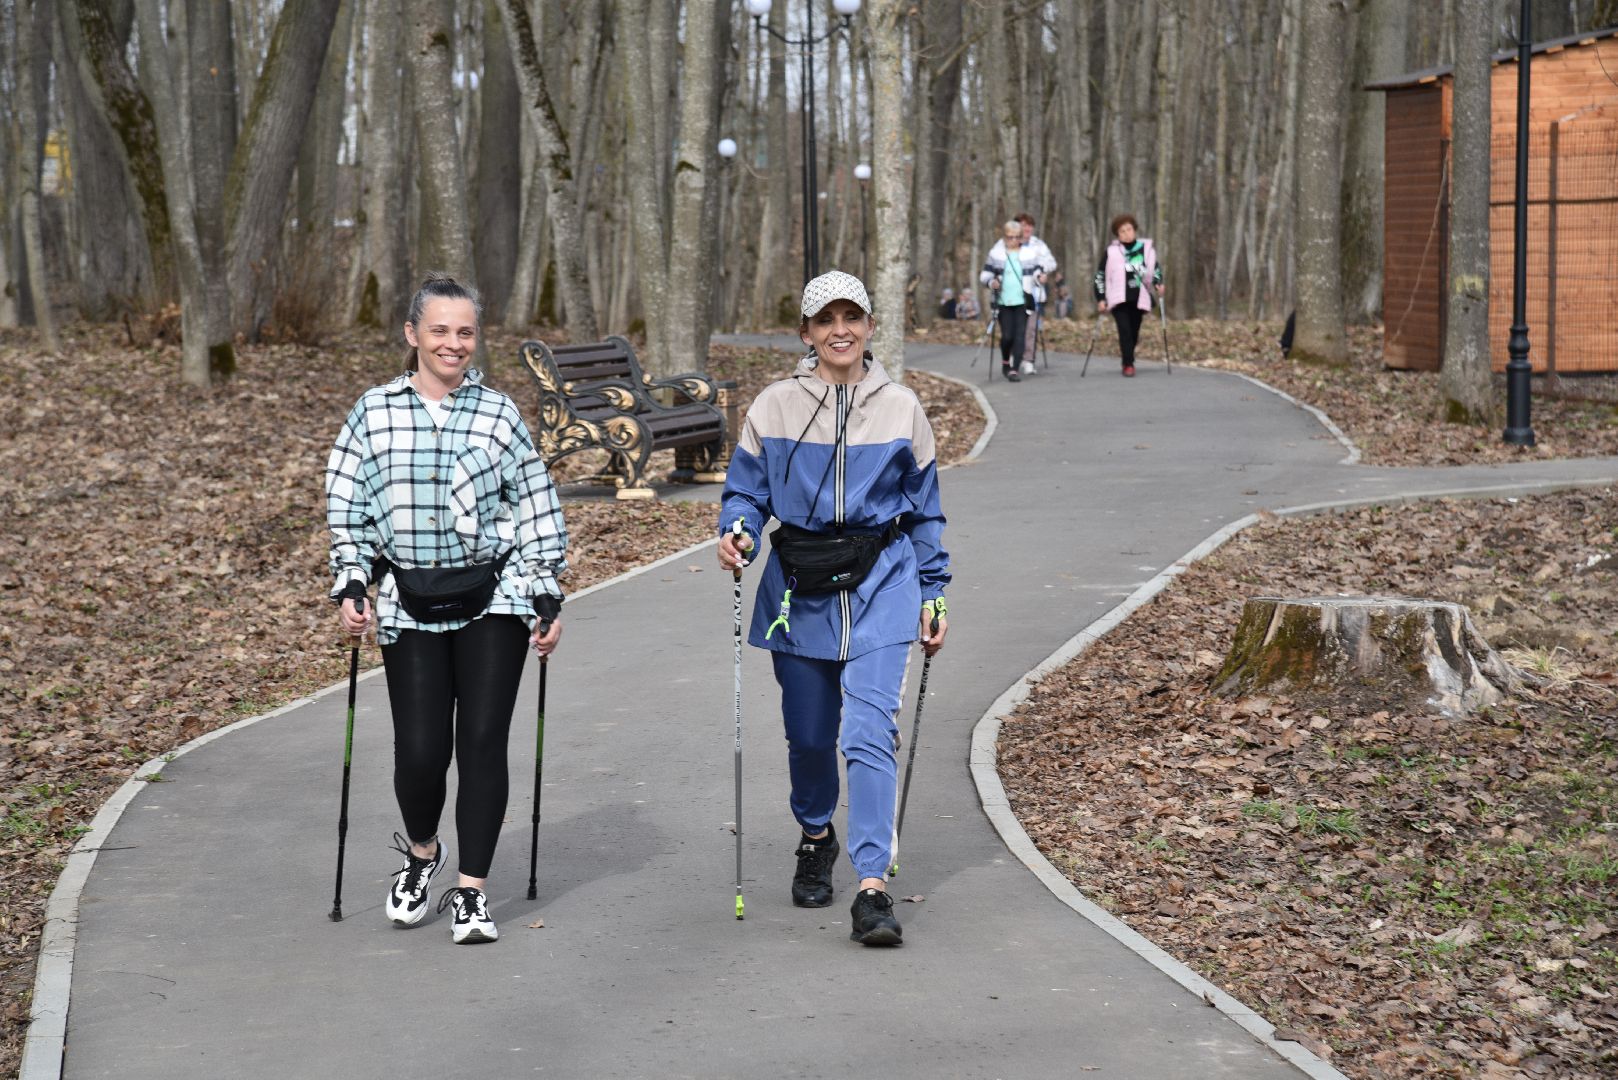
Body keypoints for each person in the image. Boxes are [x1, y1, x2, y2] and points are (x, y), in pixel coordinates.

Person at [326, 273, 568, 945]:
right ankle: (423, 854)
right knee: (421, 750)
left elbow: (535, 503)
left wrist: (545, 591)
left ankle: (472, 892)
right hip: (411, 600)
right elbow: (348, 509)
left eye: (465, 332)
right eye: (439, 330)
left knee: (482, 741)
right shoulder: (373, 412)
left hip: (495, 594)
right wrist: (353, 582)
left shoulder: (499, 414)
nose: (453, 343)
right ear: (412, 334)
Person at [717, 270, 950, 947]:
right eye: (826, 319)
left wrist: (934, 591)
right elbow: (745, 493)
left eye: (852, 317)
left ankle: (872, 886)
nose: (839, 330)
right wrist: (738, 530)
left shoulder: (902, 409)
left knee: (868, 732)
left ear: (870, 326)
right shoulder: (774, 407)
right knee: (811, 735)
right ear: (806, 332)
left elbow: (926, 510)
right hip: (799, 591)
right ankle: (816, 834)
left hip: (884, 582)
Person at [1093, 214, 1164, 377]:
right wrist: (1101, 298)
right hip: (1118, 299)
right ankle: (1128, 364)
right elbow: (1100, 275)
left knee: (1134, 332)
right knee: (1124, 330)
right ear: (1117, 235)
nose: (1126, 234)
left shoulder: (1146, 250)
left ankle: (1128, 357)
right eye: (1122, 231)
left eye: (1129, 229)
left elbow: (1155, 269)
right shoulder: (1112, 252)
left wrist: (1158, 283)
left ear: (1134, 229)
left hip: (1139, 298)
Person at [980, 220, 1045, 382]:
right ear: (1004, 237)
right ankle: (1005, 363)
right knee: (1007, 336)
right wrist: (992, 282)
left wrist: (1040, 277)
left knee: (1020, 336)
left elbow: (1037, 271)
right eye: (1010, 237)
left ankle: (1014, 369)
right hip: (1003, 302)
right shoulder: (996, 254)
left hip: (1023, 301)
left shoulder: (1029, 254)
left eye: (1017, 237)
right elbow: (985, 275)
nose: (1014, 240)